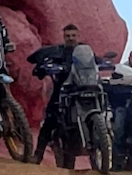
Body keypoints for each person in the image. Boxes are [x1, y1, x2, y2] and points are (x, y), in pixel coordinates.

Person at [25, 24, 88, 158]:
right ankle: (38, 155)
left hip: (81, 90)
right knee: (50, 119)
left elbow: (93, 61)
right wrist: (43, 67)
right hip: (62, 90)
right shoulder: (58, 51)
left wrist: (104, 63)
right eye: (67, 36)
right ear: (63, 37)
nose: (71, 38)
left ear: (78, 36)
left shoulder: (85, 52)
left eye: (73, 36)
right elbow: (39, 60)